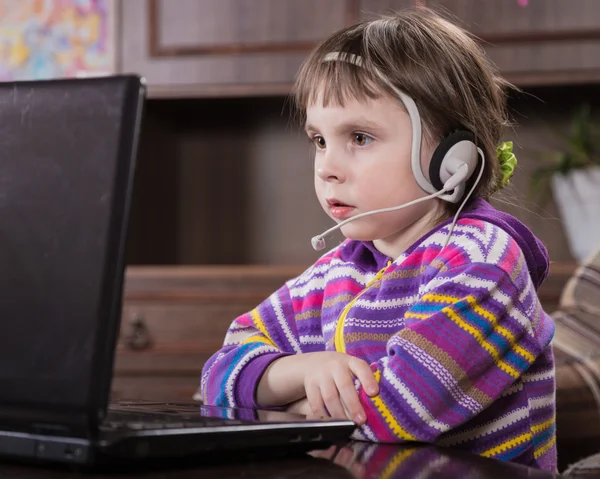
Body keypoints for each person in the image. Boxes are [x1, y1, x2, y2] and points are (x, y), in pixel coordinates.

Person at [200, 7, 556, 472]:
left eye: (360, 137)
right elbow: (218, 374)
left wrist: (273, 412)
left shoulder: (483, 264)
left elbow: (395, 412)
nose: (327, 166)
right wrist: (301, 370)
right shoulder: (337, 270)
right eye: (319, 140)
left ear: (454, 159)